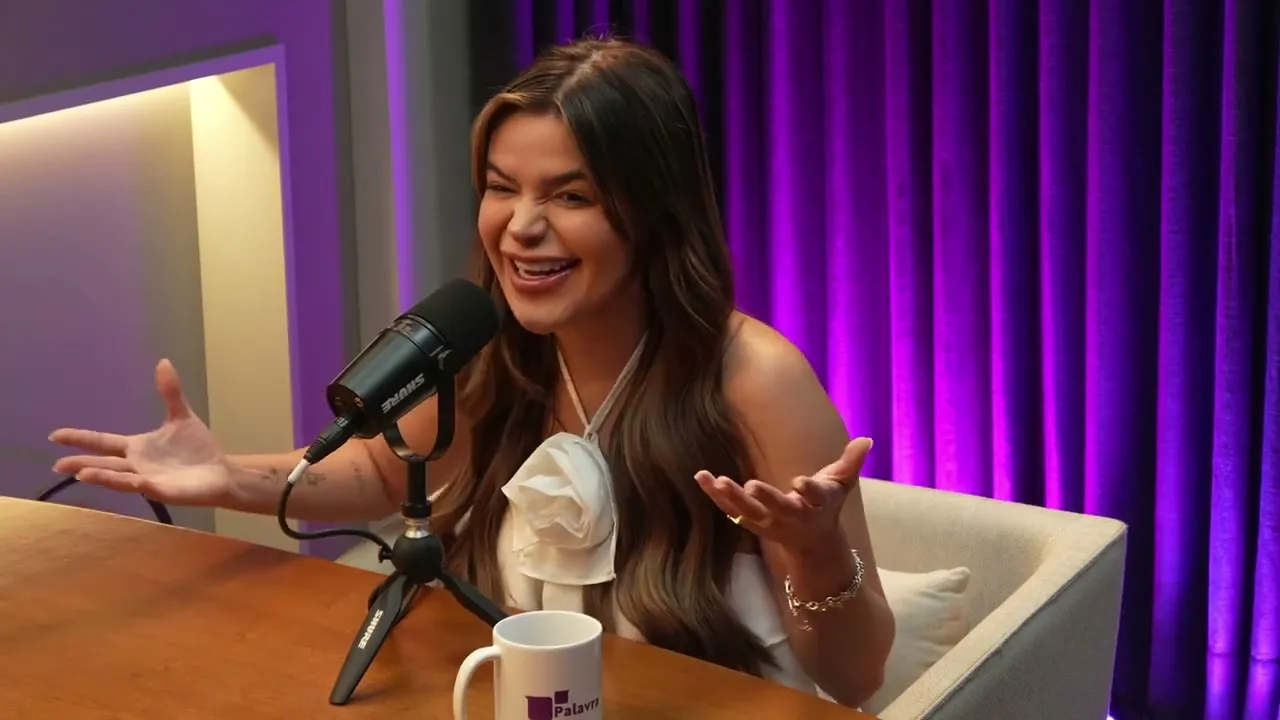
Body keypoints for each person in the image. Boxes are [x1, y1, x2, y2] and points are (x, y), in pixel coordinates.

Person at [49, 37, 894, 708]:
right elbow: (384, 472)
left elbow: (856, 679)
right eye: (501, 188)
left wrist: (816, 553)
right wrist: (227, 477)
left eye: (570, 196)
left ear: (655, 213)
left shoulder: (753, 380)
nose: (520, 227)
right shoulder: (491, 347)